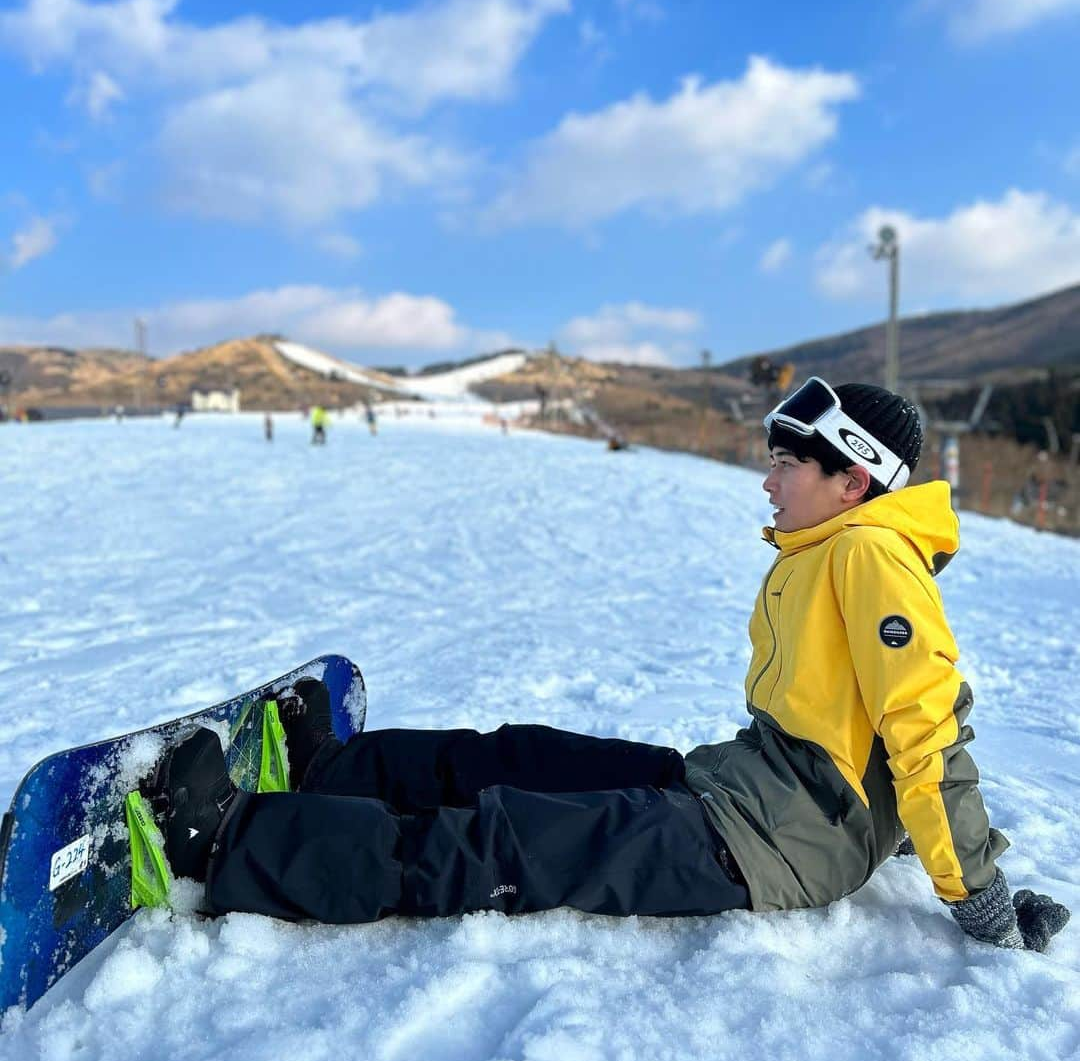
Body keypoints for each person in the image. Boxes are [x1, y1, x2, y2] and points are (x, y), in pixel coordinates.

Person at [152, 380, 1070, 951]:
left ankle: (231, 846)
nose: (767, 480)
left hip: (768, 845)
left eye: (788, 462)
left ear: (854, 479)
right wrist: (898, 828)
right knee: (516, 754)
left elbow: (925, 730)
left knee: (508, 844)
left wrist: (978, 892)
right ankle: (335, 769)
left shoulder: (871, 556)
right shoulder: (828, 551)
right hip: (737, 788)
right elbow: (864, 736)